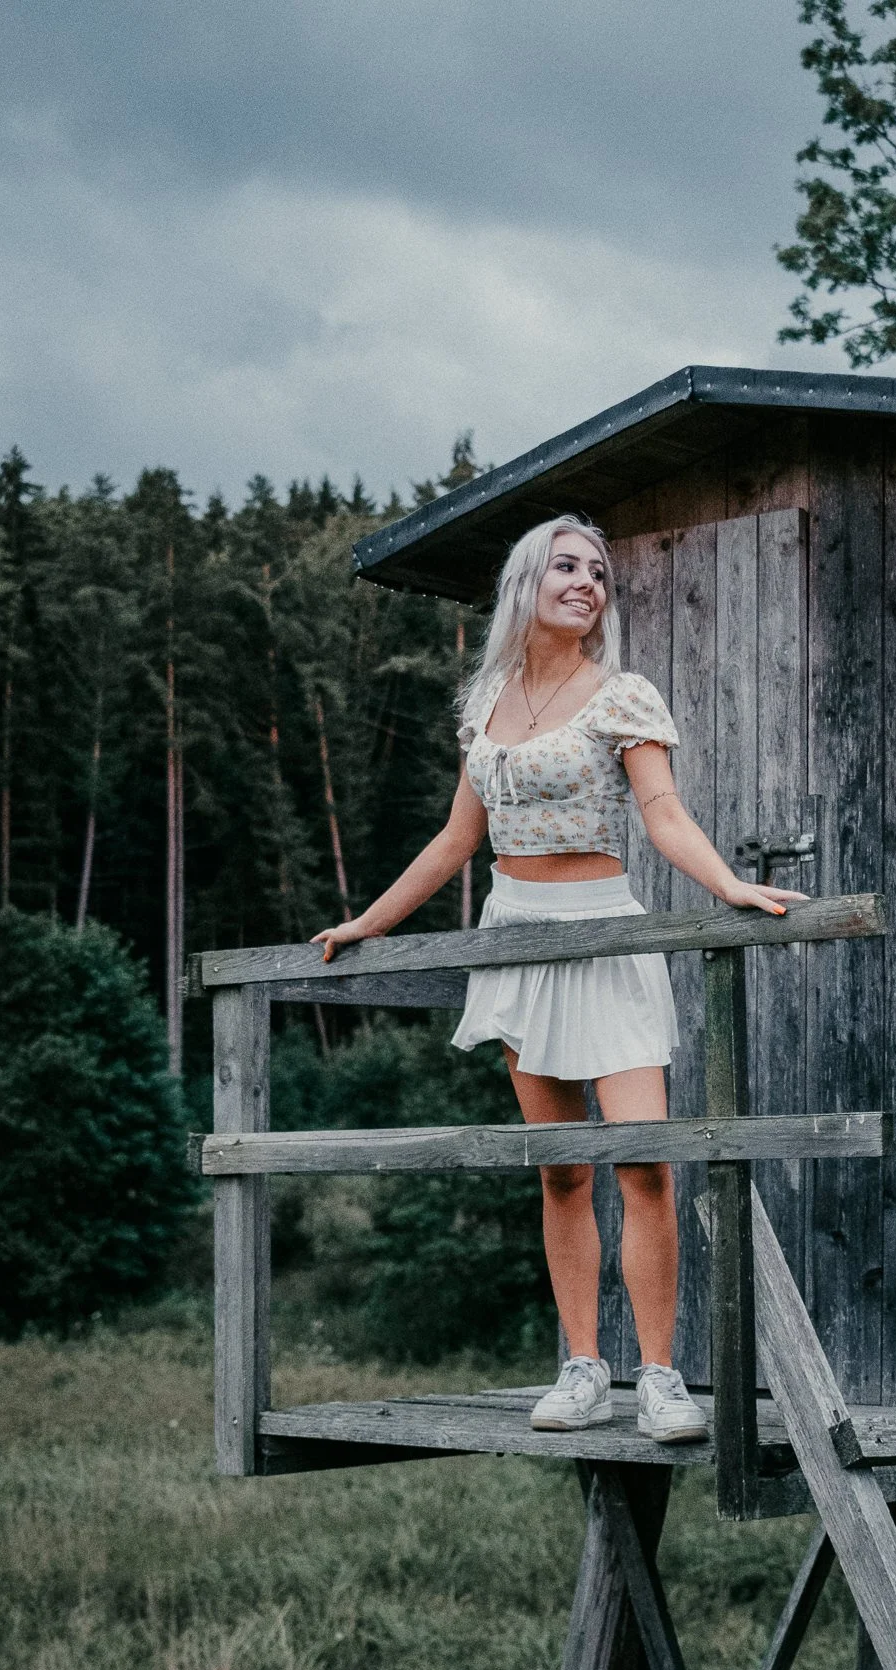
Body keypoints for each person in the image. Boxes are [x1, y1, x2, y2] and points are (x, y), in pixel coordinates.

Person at [312, 515, 804, 1442]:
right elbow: (459, 839)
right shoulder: (488, 699)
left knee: (645, 1162)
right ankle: (583, 1367)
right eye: (568, 567)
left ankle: (659, 1376)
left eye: (600, 573)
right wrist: (368, 921)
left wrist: (728, 884)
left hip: (606, 936)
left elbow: (662, 813)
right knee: (562, 1171)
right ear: (528, 581)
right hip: (516, 941)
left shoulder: (623, 696)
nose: (588, 583)